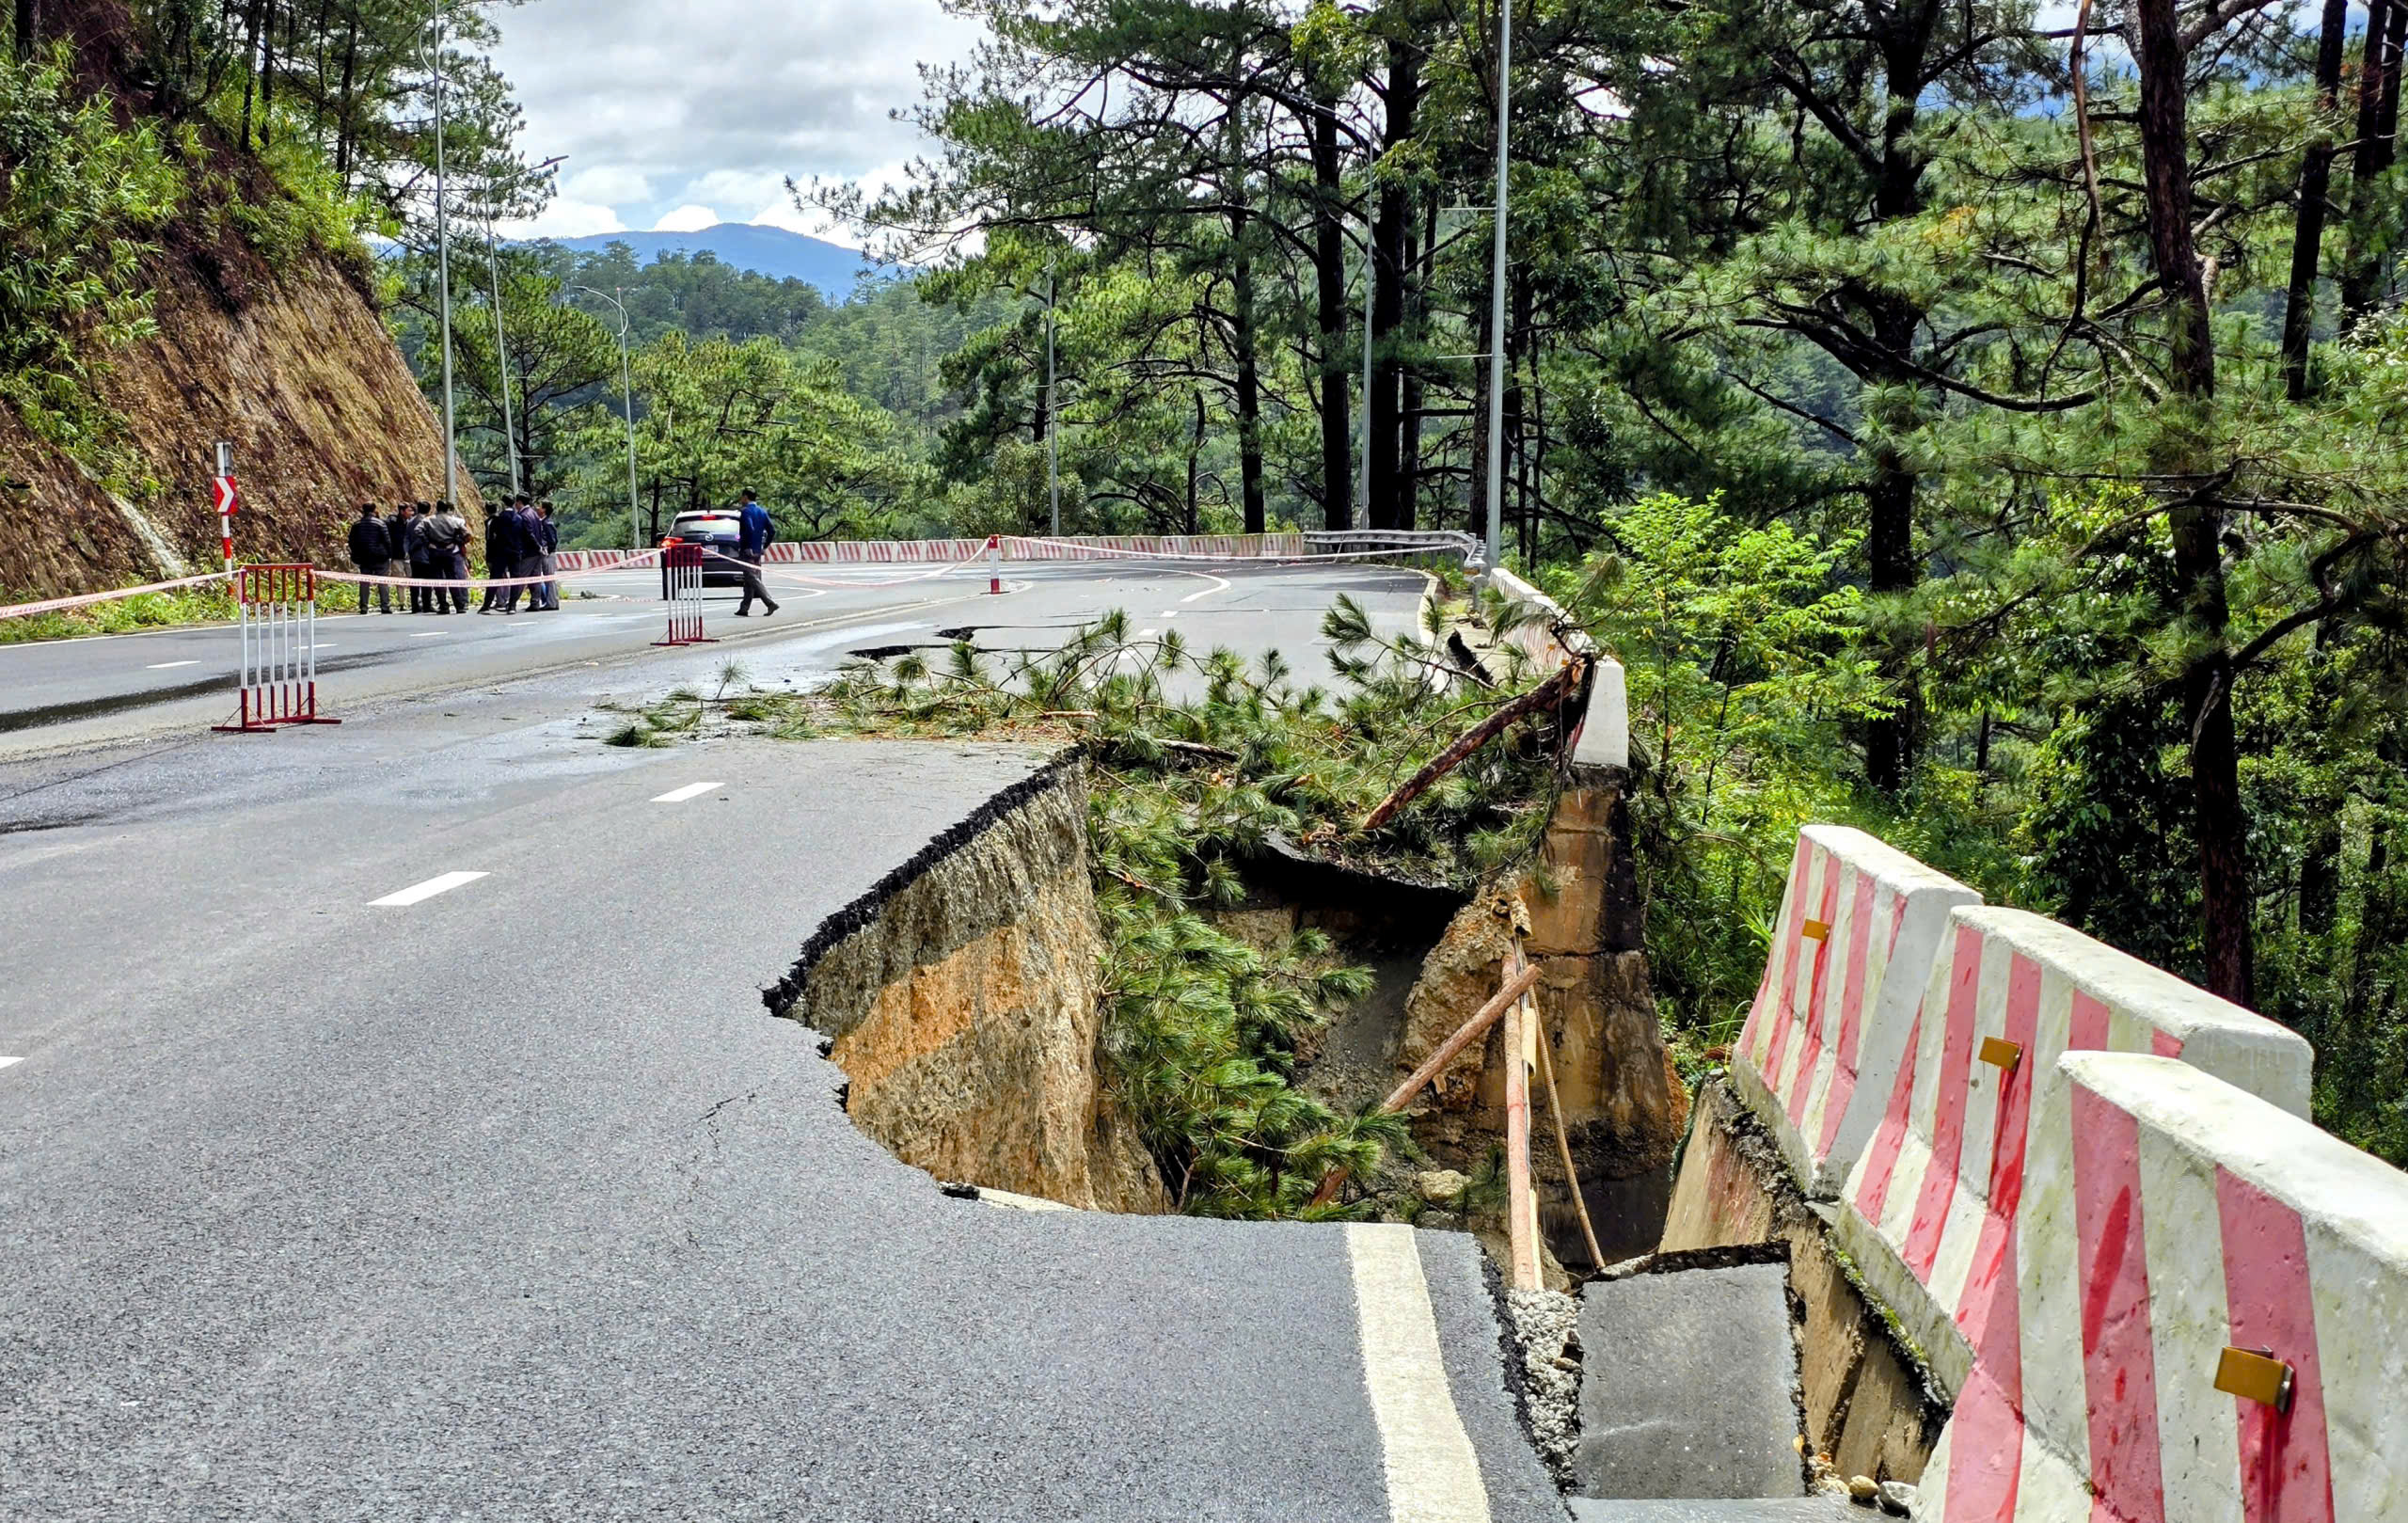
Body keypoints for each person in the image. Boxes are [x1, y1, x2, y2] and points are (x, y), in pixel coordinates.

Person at [732, 487, 780, 617]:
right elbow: (772, 531)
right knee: (749, 579)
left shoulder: (746, 512)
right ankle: (744, 608)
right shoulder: (762, 512)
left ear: (746, 497)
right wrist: (764, 545)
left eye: (742, 497)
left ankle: (770, 602)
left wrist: (743, 543)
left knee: (751, 577)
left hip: (748, 550)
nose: (741, 499)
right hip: (758, 550)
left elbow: (749, 528)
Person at [346, 502, 392, 614]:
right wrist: (389, 554)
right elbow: (387, 541)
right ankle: (385, 606)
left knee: (365, 582)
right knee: (383, 581)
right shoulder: (380, 523)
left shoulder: (357, 525)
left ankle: (364, 607)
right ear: (374, 510)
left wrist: (356, 554)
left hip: (364, 557)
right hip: (380, 557)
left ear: (363, 510)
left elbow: (352, 542)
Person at [433, 500, 472, 612]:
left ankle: (445, 605)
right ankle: (461, 604)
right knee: (457, 579)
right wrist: (459, 541)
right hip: (455, 553)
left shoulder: (433, 521)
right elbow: (468, 535)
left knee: (442, 580)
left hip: (441, 553)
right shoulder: (457, 521)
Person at [529, 500, 562, 611]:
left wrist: (548, 550)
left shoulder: (548, 523)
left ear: (544, 510)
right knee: (548, 578)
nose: (537, 508)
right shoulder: (542, 522)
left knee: (550, 578)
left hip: (548, 554)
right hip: (545, 553)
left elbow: (553, 540)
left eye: (540, 506)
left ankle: (552, 602)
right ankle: (550, 601)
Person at [406, 502, 437, 613]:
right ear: (429, 510)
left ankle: (415, 605)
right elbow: (422, 538)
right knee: (427, 582)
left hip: (414, 557)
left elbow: (406, 538)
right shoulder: (427, 522)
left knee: (415, 581)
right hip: (425, 555)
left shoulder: (410, 521)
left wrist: (408, 550)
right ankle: (427, 605)